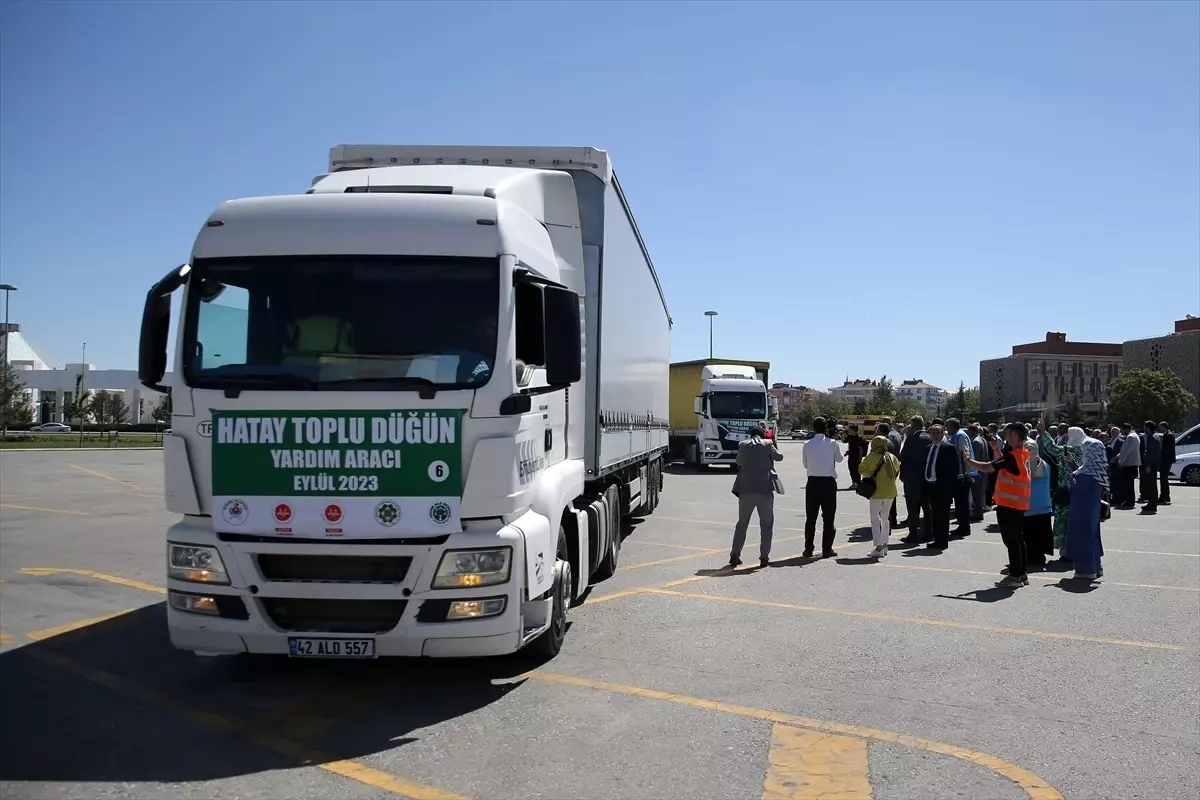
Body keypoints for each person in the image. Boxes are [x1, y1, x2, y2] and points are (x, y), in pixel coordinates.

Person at [968, 423, 1032, 588]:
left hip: (1009, 505)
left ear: (1017, 437)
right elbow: (1000, 461)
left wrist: (969, 461)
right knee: (1018, 539)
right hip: (1018, 503)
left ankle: (1016, 575)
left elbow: (989, 467)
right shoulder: (1021, 453)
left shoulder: (1012, 457)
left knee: (1012, 540)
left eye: (1009, 435)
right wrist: (996, 449)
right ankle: (1021, 573)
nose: (1006, 437)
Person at [727, 423, 783, 569]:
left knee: (742, 524)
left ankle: (735, 555)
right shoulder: (768, 444)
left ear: (750, 435)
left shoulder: (743, 444)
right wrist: (773, 441)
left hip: (745, 491)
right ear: (764, 435)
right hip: (765, 491)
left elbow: (738, 461)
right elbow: (779, 457)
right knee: (766, 525)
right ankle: (764, 557)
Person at [1064, 426, 1108, 581]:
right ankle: (1096, 566)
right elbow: (1083, 471)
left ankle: (1086, 569)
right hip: (1091, 511)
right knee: (1092, 533)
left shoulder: (1085, 476)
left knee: (1082, 535)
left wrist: (1070, 475)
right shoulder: (1096, 473)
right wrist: (1073, 464)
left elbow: (1074, 485)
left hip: (1081, 511)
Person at [1036, 419, 1081, 561]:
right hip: (1078, 489)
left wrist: (1044, 433)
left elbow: (1053, 449)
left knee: (1065, 520)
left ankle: (1067, 550)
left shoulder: (1072, 449)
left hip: (1066, 489)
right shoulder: (1084, 449)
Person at [802, 417, 842, 558]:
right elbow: (839, 459)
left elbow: (805, 464)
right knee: (829, 518)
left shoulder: (807, 444)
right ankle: (827, 548)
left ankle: (808, 548)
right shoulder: (832, 443)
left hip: (812, 482)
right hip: (828, 483)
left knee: (811, 518)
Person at [859, 435, 901, 559]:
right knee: (885, 519)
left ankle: (878, 548)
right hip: (890, 492)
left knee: (875, 520)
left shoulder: (870, 457)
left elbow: (862, 470)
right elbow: (897, 469)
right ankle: (885, 544)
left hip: (876, 492)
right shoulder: (891, 456)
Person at [922, 423, 961, 550]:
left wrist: (949, 489)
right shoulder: (929, 447)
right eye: (933, 432)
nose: (935, 435)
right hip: (931, 486)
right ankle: (936, 539)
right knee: (935, 515)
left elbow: (954, 470)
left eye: (938, 432)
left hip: (943, 488)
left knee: (943, 516)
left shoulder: (949, 448)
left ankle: (942, 542)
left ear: (943, 433)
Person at [899, 416, 933, 544]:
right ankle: (927, 533)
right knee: (927, 507)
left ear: (913, 426)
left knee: (913, 508)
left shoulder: (911, 439)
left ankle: (913, 534)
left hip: (912, 478)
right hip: (927, 478)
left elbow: (902, 457)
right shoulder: (930, 438)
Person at [1023, 446, 1054, 569]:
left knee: (1029, 534)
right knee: (1042, 533)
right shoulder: (1045, 465)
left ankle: (1030, 557)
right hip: (1044, 505)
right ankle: (1039, 556)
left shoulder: (1025, 466)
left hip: (1029, 506)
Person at [946, 418, 974, 536]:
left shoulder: (960, 436)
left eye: (948, 426)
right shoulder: (956, 435)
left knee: (962, 503)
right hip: (959, 474)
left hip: (962, 475)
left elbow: (964, 454)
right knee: (959, 503)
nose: (947, 429)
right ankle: (962, 526)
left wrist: (966, 473)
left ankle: (964, 528)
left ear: (953, 426)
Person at [877, 421, 903, 527]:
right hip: (892, 470)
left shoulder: (883, 442)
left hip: (884, 472)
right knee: (891, 495)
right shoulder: (892, 439)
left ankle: (886, 521)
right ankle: (892, 519)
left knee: (883, 498)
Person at [1116, 423, 1141, 510]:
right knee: (1129, 484)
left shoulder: (1130, 437)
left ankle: (1129, 501)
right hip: (1132, 463)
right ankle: (1129, 500)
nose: (1121, 432)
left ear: (1125, 429)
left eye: (1122, 430)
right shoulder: (1134, 436)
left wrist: (1120, 462)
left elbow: (1127, 451)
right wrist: (1118, 457)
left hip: (1129, 464)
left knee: (1128, 484)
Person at [1140, 420, 1160, 515]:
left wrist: (1148, 465)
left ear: (1147, 428)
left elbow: (1151, 453)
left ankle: (1152, 504)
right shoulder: (1156, 436)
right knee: (1151, 485)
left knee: (1151, 485)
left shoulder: (1152, 437)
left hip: (1151, 464)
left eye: (1145, 427)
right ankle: (1151, 503)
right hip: (1153, 464)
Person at [845, 425, 868, 490]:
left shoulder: (859, 438)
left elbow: (860, 449)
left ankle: (857, 483)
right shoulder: (850, 437)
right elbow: (844, 441)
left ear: (853, 430)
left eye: (850, 429)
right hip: (851, 456)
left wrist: (860, 459)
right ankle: (855, 482)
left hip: (856, 457)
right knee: (851, 469)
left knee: (856, 470)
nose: (849, 430)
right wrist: (842, 434)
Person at [1159, 422, 1176, 505]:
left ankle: (1164, 496)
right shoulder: (1166, 435)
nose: (1159, 429)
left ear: (1164, 427)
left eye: (1160, 427)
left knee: (1164, 478)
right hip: (1165, 460)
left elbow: (1167, 449)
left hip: (1166, 460)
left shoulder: (1169, 435)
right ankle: (1165, 496)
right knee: (1163, 479)